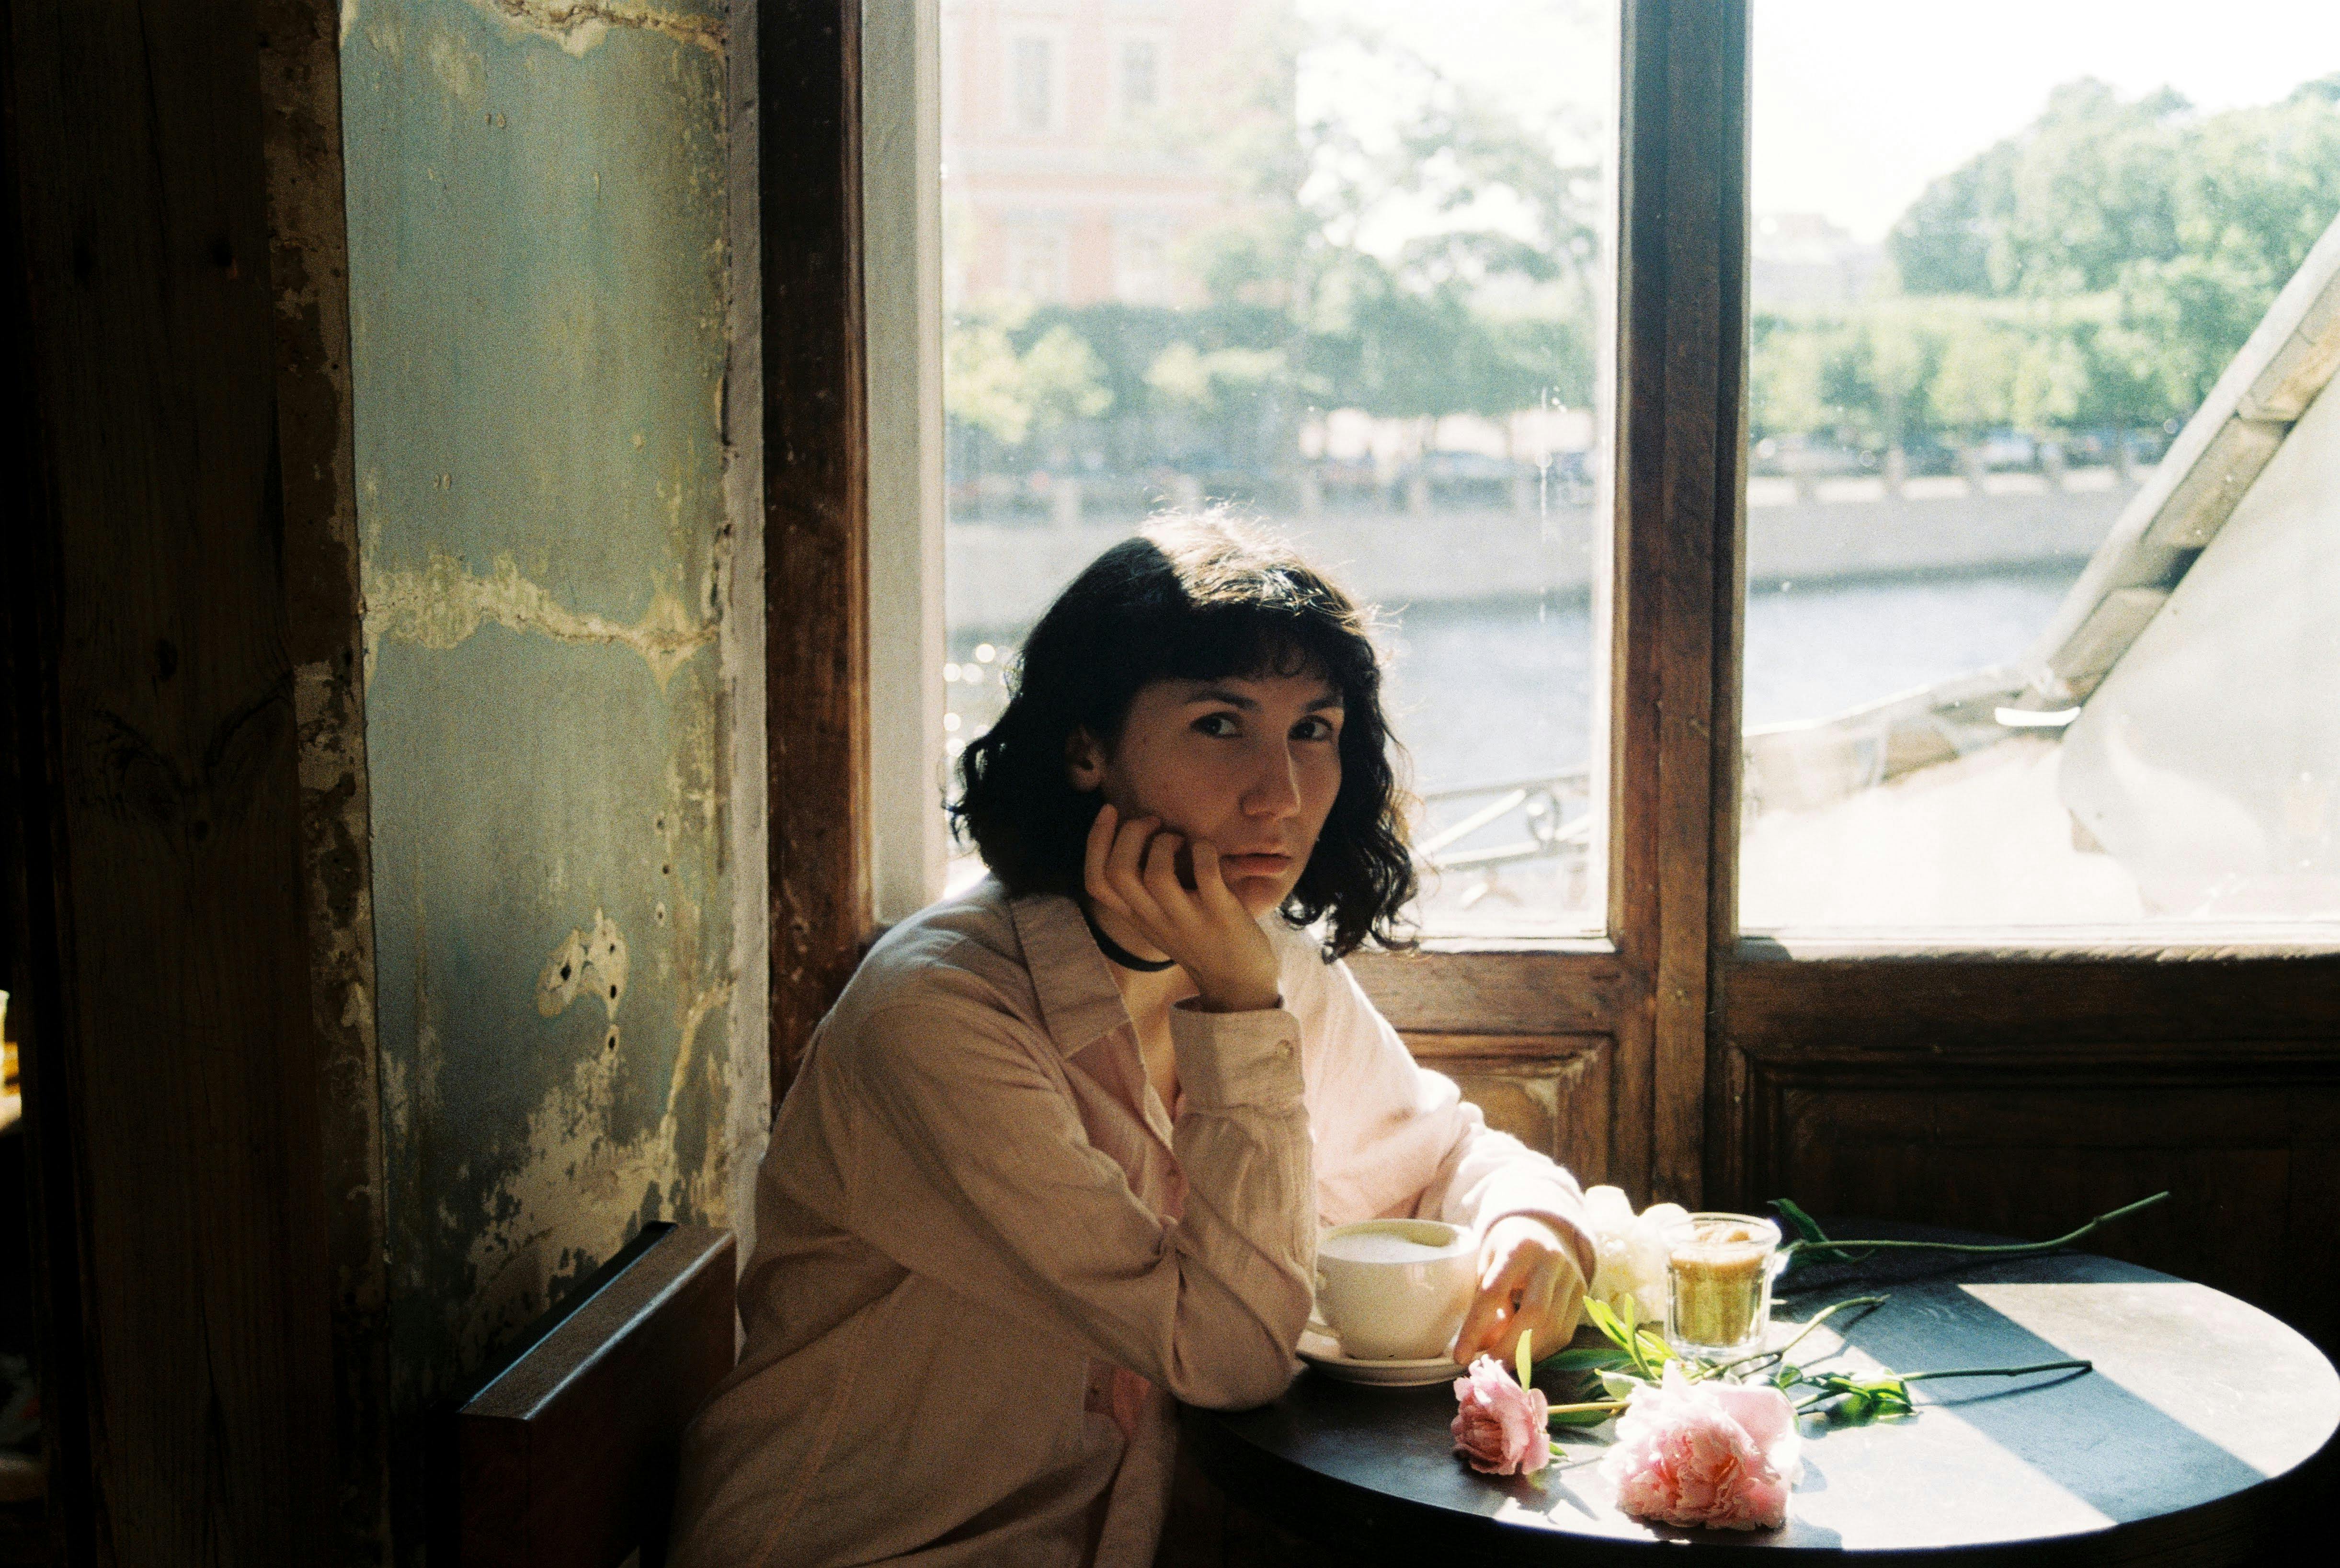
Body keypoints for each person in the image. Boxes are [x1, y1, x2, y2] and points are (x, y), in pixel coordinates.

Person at [670, 516, 1595, 1568]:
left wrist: (1537, 1224)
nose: (1280, 795)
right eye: (1219, 724)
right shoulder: (939, 1015)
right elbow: (1229, 1355)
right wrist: (1239, 1014)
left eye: (1314, 730)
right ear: (1085, 749)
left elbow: (1438, 1155)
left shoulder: (1259, 956)